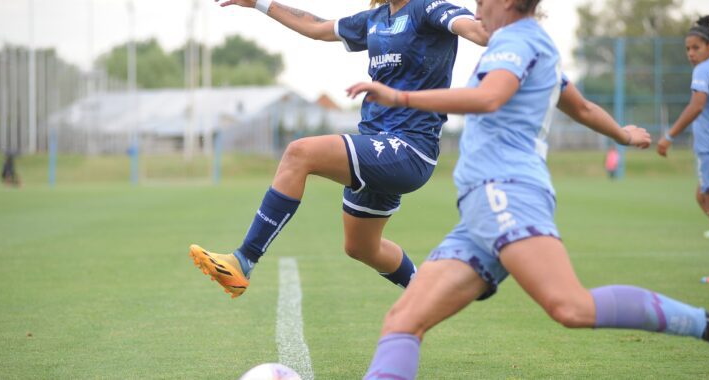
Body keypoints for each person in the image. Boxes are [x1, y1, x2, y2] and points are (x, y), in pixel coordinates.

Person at [346, 1, 709, 377]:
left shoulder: (520, 41)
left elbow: (488, 97)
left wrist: (401, 97)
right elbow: (580, 108)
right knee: (403, 320)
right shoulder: (521, 43)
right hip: (482, 211)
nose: (476, 10)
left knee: (570, 306)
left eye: (483, 1)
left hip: (507, 193)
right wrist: (623, 134)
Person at [189, 0, 490, 298]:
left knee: (300, 153)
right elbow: (317, 27)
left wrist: (504, 31)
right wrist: (258, 3)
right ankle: (429, 293)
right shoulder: (375, 19)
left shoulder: (428, 8)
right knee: (361, 247)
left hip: (409, 149)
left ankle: (244, 260)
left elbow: (475, 31)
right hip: (377, 144)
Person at [657, 15, 709, 284]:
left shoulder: (704, 71)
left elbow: (697, 105)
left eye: (695, 48)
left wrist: (669, 135)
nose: (691, 54)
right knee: (703, 197)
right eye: (688, 49)